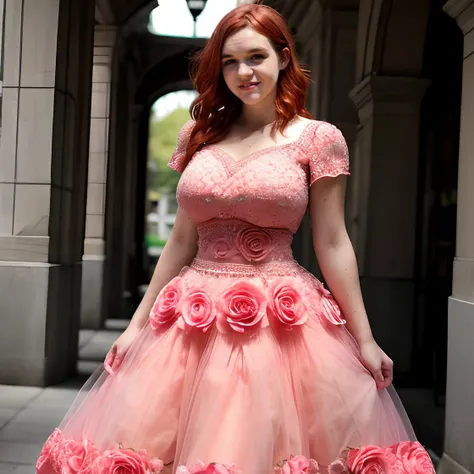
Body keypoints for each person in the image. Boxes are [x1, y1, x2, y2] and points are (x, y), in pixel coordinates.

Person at [36, 4, 435, 474]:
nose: (243, 72)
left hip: (281, 320)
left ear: (284, 58)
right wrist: (136, 326)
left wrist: (364, 339)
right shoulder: (197, 137)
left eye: (256, 57)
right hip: (189, 317)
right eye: (229, 61)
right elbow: (182, 240)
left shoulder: (318, 138)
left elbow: (332, 241)